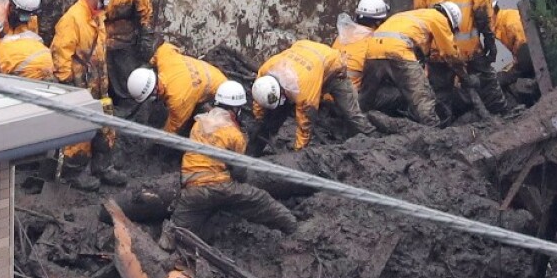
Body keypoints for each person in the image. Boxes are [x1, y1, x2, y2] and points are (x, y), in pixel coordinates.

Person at [159, 81, 297, 249]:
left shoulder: (198, 124)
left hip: (191, 190)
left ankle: (168, 248)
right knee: (261, 200)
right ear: (236, 109)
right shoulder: (234, 134)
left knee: (176, 229)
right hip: (221, 187)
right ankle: (293, 227)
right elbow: (239, 173)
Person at [414, 0, 507, 116]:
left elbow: (419, 17)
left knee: (441, 96)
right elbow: (483, 11)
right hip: (470, 49)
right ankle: (505, 119)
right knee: (489, 86)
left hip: (439, 52)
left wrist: (422, 54)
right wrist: (489, 41)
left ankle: (445, 132)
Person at [51, 0, 126, 191]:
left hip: (98, 83)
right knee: (78, 132)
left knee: (106, 125)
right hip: (79, 84)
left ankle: (102, 167)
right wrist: (66, 85)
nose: (110, 1)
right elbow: (60, 53)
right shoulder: (73, 19)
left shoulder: (97, 17)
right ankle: (73, 173)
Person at [249, 40, 375, 154]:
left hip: (332, 67)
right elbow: (259, 101)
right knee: (271, 116)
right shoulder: (264, 74)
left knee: (350, 112)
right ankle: (254, 150)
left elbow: (305, 123)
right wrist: (259, 119)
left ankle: (373, 138)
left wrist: (299, 151)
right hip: (304, 54)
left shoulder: (304, 92)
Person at [360, 3, 464, 127]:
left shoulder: (410, 15)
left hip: (373, 49)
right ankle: (433, 129)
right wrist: (464, 75)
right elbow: (450, 54)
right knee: (422, 97)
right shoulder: (439, 18)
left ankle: (358, 124)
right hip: (398, 50)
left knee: (367, 96)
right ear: (450, 20)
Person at [96, 0, 155, 102]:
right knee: (103, 80)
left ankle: (129, 110)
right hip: (102, 39)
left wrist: (146, 35)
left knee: (127, 81)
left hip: (126, 40)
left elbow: (145, 10)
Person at [126, 41, 227, 135]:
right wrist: (152, 62)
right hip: (208, 71)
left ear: (155, 90)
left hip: (219, 92)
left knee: (204, 125)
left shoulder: (177, 100)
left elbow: (175, 126)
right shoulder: (165, 60)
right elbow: (165, 48)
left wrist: (159, 137)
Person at [332, 0, 390, 91]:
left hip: (328, 93)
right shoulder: (374, 42)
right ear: (378, 22)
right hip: (350, 99)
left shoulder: (343, 34)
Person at [492, 1, 538, 105]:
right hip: (526, 56)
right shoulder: (501, 23)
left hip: (530, 57)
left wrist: (509, 74)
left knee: (503, 80)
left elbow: (526, 54)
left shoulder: (511, 23)